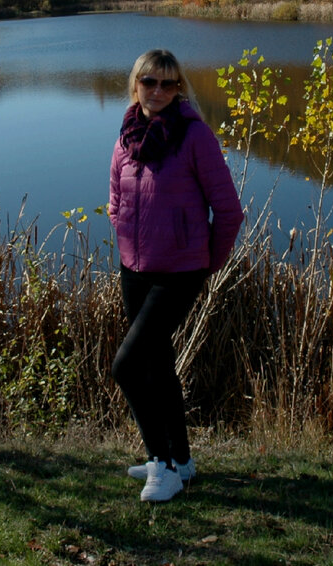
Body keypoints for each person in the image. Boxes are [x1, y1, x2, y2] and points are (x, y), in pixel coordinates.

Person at [108, 49, 244, 503]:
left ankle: (161, 464)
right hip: (135, 269)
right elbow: (114, 197)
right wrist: (126, 234)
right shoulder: (127, 135)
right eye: (150, 82)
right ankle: (181, 462)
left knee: (125, 366)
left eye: (169, 84)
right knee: (157, 366)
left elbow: (228, 211)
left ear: (180, 88)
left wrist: (207, 263)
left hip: (179, 271)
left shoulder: (195, 136)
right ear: (136, 85)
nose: (159, 91)